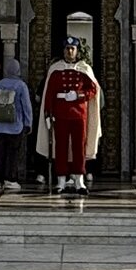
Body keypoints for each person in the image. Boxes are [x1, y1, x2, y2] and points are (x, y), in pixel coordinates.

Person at [37, 36, 102, 195]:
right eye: (67, 48)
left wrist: (79, 96)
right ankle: (61, 180)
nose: (70, 51)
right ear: (64, 50)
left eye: (72, 49)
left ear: (77, 51)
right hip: (60, 114)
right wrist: (48, 113)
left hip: (79, 114)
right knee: (61, 147)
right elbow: (49, 93)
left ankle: (79, 180)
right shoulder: (56, 69)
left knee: (79, 147)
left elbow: (93, 90)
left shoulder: (84, 69)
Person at [0, 58, 34, 189]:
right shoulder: (21, 85)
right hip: (15, 126)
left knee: (0, 154)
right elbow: (26, 106)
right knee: (12, 154)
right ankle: (10, 179)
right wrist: (28, 123)